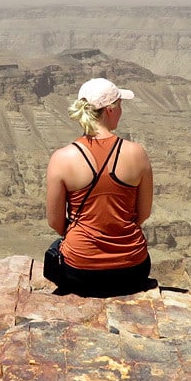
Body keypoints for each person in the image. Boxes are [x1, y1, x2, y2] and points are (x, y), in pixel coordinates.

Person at [43, 77, 154, 296]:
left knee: (53, 251)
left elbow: (55, 221)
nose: (122, 111)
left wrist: (87, 239)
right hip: (132, 271)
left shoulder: (62, 158)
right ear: (110, 110)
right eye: (120, 105)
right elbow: (143, 213)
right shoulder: (136, 153)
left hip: (79, 273)